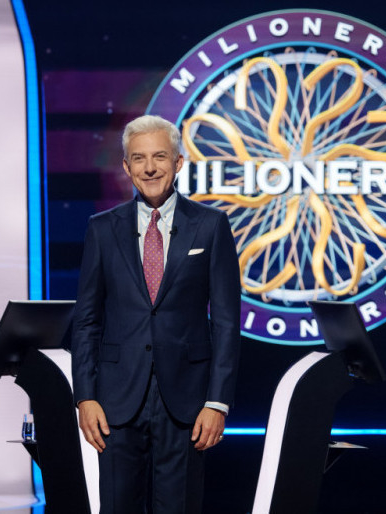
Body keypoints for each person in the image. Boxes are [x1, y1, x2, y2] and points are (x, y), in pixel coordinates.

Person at [71, 114, 241, 513]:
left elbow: (227, 323)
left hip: (187, 402)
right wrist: (85, 397)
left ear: (178, 162)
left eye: (160, 156)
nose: (150, 167)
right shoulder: (102, 228)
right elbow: (87, 321)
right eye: (139, 158)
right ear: (126, 166)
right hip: (115, 401)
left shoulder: (211, 226)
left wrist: (217, 403)